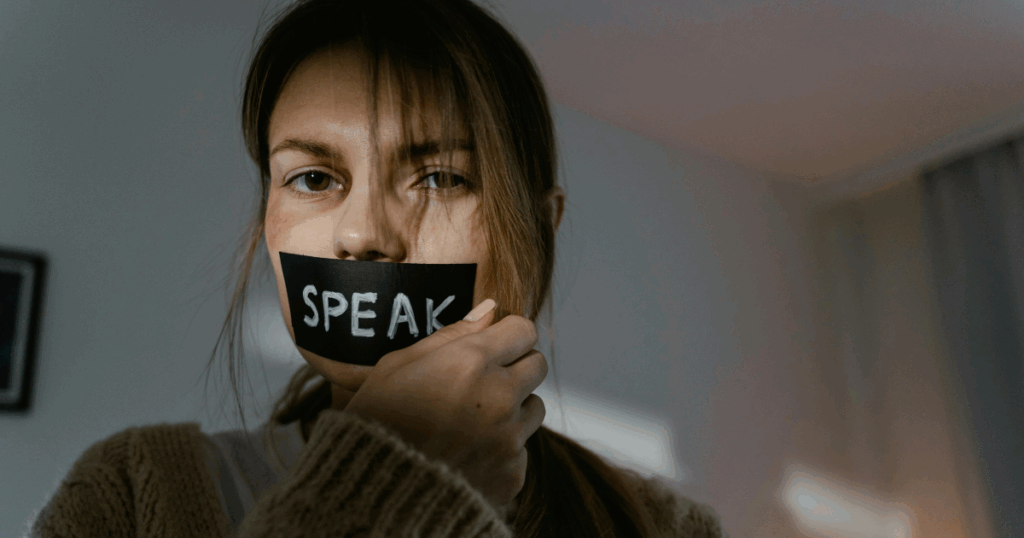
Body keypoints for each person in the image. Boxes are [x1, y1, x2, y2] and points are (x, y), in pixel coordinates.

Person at [31, 0, 726, 536]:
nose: (362, 235)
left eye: (442, 178)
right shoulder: (126, 497)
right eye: (312, 178)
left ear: (542, 228)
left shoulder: (665, 529)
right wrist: (392, 482)